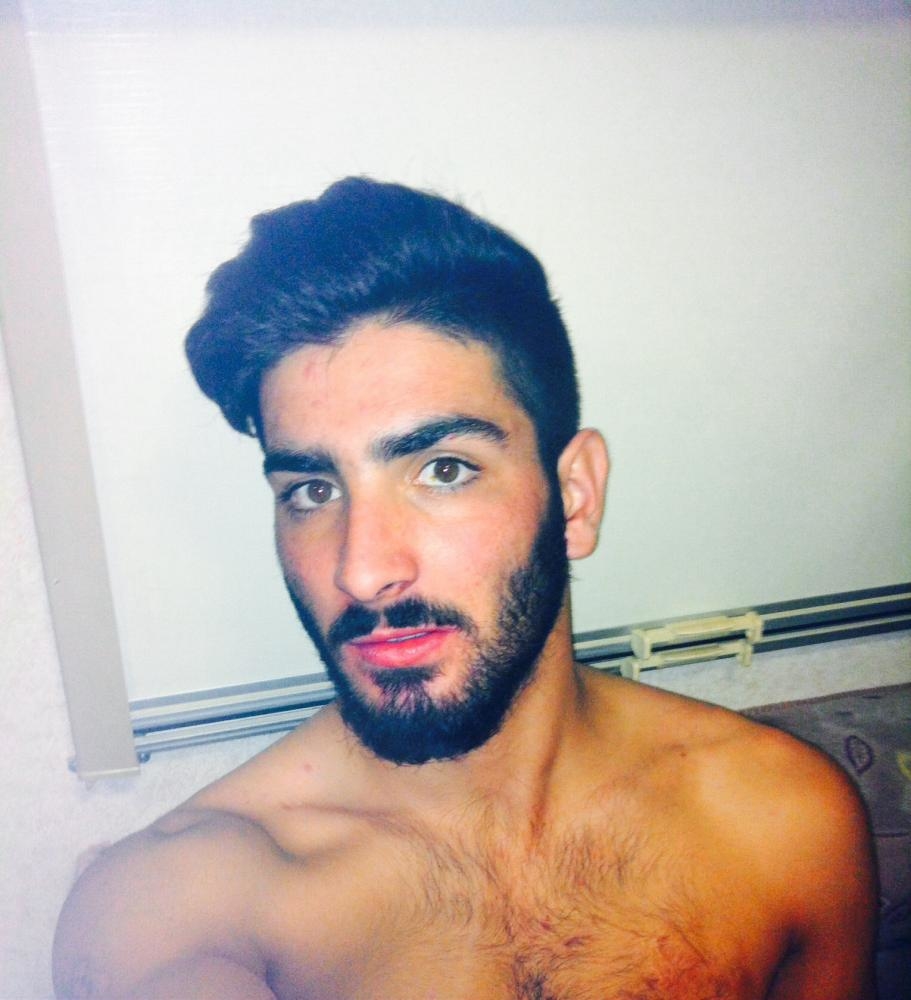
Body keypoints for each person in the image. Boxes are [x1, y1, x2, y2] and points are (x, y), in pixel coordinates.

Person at [53, 178, 877, 999]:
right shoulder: (175, 909)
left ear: (574, 498)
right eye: (312, 490)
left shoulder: (779, 822)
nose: (361, 571)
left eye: (443, 470)